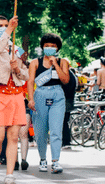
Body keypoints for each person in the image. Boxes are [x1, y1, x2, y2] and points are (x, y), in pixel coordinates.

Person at [0, 15, 28, 184]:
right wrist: (8, 31)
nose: (3, 27)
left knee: (14, 137)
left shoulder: (17, 49)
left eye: (6, 24)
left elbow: (26, 74)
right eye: (0, 25)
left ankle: (9, 175)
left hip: (17, 95)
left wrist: (17, 69)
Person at [28, 33, 70, 174]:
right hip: (40, 94)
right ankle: (42, 159)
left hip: (57, 94)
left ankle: (55, 161)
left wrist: (55, 64)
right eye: (47, 46)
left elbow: (65, 80)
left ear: (57, 48)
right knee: (40, 132)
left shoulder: (63, 61)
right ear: (42, 47)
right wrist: (30, 99)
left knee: (56, 130)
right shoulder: (35, 62)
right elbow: (30, 81)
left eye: (53, 46)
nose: (50, 48)